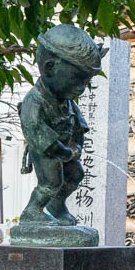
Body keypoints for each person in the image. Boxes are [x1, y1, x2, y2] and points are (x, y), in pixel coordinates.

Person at [18, 25, 105, 226]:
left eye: (86, 82)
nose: (81, 88)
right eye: (77, 80)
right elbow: (40, 135)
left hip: (65, 149)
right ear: (50, 68)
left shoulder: (67, 101)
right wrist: (64, 152)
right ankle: (32, 211)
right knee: (51, 182)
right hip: (47, 151)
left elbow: (79, 126)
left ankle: (57, 205)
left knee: (76, 174)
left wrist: (77, 146)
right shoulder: (34, 102)